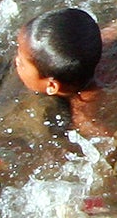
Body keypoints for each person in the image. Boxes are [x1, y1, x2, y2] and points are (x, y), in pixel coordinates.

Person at [12, 7, 105, 135]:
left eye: (22, 63)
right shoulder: (90, 45)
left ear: (51, 85)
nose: (16, 60)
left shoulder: (83, 114)